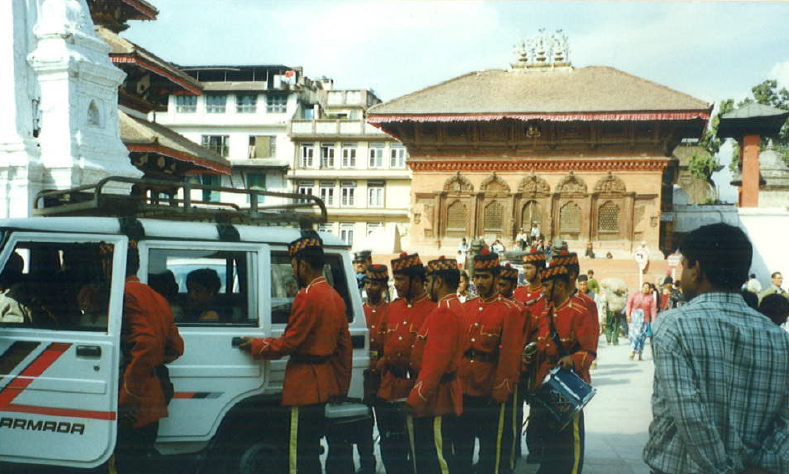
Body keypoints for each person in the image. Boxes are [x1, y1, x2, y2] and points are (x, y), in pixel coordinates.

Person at [644, 222, 789, 474]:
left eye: (683, 265)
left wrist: (722, 470)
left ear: (696, 269)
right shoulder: (780, 339)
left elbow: (690, 416)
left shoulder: (674, 326)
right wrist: (763, 466)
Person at [239, 233, 352, 474]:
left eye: (293, 265)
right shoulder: (335, 297)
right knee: (310, 450)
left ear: (303, 264)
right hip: (323, 383)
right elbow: (345, 350)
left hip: (303, 386)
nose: (292, 272)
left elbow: (289, 343)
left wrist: (257, 345)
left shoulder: (307, 297)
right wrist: (341, 386)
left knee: (297, 454)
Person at [116, 242, 184, 474]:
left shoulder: (124, 296)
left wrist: (127, 399)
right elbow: (175, 347)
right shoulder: (155, 296)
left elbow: (145, 343)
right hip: (153, 397)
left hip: (131, 403)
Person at [522, 264, 597, 474]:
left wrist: (572, 359)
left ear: (560, 285)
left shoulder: (580, 312)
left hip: (567, 387)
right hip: (544, 383)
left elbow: (589, 352)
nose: (543, 290)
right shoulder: (547, 311)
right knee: (547, 441)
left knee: (568, 444)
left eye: (546, 286)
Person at [456, 250, 523, 474]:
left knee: (490, 450)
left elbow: (510, 356)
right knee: (462, 447)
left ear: (496, 278)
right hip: (465, 385)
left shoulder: (510, 311)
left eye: (485, 277)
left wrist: (501, 388)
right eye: (477, 277)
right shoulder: (466, 307)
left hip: (489, 388)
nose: (479, 282)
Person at [376, 252, 434, 474]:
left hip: (415, 390)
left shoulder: (433, 309)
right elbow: (382, 344)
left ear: (416, 281)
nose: (396, 284)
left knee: (420, 450)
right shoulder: (391, 308)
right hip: (390, 388)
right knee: (391, 448)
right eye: (395, 279)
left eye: (400, 280)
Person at [406, 256, 465, 474]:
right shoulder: (452, 306)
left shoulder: (444, 311)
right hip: (440, 392)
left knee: (436, 460)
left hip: (435, 397)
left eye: (429, 280)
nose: (426, 286)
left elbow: (435, 364)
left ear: (438, 282)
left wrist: (416, 397)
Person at [512, 249, 547, 464]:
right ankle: (513, 448)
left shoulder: (547, 293)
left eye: (528, 268)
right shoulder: (519, 293)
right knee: (514, 405)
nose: (525, 272)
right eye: (524, 267)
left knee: (537, 407)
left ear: (540, 270)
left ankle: (535, 449)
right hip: (518, 358)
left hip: (539, 358)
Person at [496, 262, 531, 473]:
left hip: (512, 372)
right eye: (498, 284)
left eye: (503, 284)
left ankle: (510, 457)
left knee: (512, 418)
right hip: (491, 372)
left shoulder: (520, 310)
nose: (500, 289)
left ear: (512, 286)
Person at [626, 283, 657, 361]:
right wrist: (628, 315)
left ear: (649, 289)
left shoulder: (651, 298)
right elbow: (629, 304)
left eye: (647, 288)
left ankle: (639, 354)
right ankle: (633, 351)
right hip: (634, 319)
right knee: (635, 335)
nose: (645, 289)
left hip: (644, 320)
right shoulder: (635, 295)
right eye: (644, 287)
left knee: (642, 337)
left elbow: (653, 310)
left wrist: (654, 321)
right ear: (641, 287)